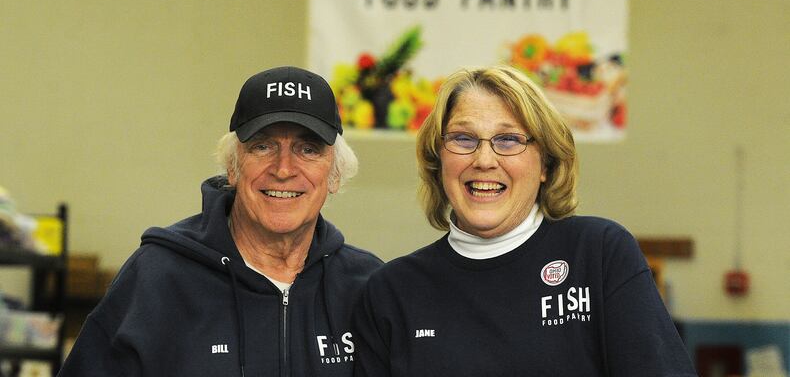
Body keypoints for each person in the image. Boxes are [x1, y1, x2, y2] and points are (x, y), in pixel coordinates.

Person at [351, 65, 697, 376]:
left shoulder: (599, 254)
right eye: (463, 138)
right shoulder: (392, 291)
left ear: (545, 164)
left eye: (508, 140)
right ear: (437, 159)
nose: (484, 159)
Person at [59, 66, 382, 376]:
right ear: (232, 168)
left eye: (308, 149)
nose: (283, 169)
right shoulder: (157, 276)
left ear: (335, 174)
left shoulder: (368, 287)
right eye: (263, 146)